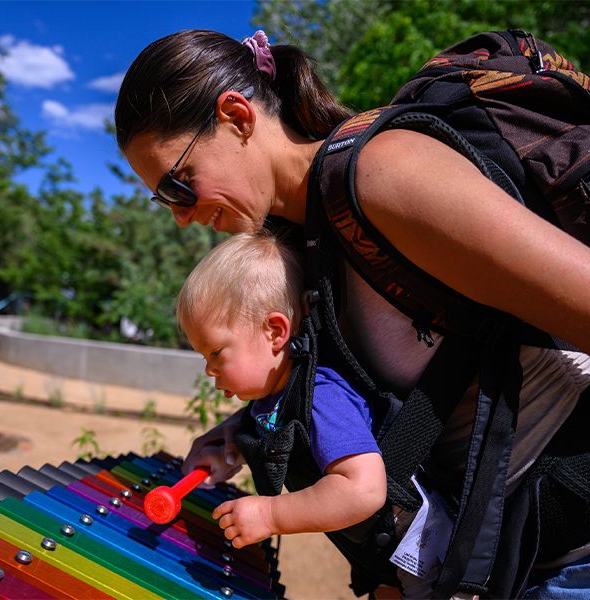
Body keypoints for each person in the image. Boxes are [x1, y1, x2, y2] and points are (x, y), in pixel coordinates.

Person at [115, 28, 590, 598]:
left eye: (178, 186)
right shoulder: (306, 240)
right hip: (508, 559)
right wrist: (243, 432)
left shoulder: (382, 175)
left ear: (237, 116)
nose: (181, 218)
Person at [176, 230, 454, 599]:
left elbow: (363, 490)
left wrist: (270, 515)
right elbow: (273, 435)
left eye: (215, 353)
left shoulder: (322, 397)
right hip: (385, 560)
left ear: (275, 332)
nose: (209, 369)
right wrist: (228, 450)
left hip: (424, 559)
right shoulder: (272, 398)